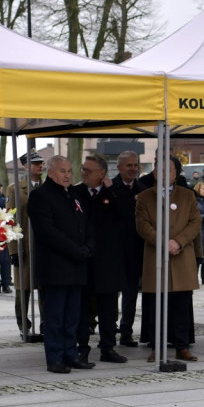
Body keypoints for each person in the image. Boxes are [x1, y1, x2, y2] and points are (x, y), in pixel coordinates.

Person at [29, 155, 95, 373]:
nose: (67, 175)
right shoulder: (40, 196)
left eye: (69, 171)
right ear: (50, 172)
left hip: (77, 266)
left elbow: (86, 223)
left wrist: (88, 246)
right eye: (62, 171)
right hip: (56, 266)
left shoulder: (74, 194)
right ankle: (55, 357)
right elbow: (47, 232)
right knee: (55, 317)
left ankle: (71, 354)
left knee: (72, 316)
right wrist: (76, 251)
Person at [136, 157, 202, 363]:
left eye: (169, 170)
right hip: (156, 257)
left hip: (181, 256)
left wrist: (178, 242)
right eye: (160, 171)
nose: (165, 174)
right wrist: (164, 242)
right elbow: (142, 225)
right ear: (154, 174)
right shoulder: (145, 197)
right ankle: (157, 346)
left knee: (181, 305)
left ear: (176, 173)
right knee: (157, 306)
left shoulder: (188, 195)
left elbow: (195, 222)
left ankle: (182, 346)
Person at [73, 154, 127, 365]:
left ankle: (108, 347)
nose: (83, 173)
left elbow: (124, 214)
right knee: (83, 309)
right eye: (83, 169)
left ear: (102, 173)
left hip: (109, 261)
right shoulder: (76, 193)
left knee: (108, 309)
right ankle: (82, 348)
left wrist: (110, 190)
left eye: (88, 170)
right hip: (85, 260)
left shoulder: (113, 193)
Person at [7, 151, 45, 342]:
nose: (39, 166)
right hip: (25, 247)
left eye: (41, 163)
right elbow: (11, 220)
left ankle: (46, 324)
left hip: (45, 247)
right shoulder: (15, 189)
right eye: (35, 163)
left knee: (46, 288)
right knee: (23, 290)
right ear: (24, 166)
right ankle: (24, 325)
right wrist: (14, 250)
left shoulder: (48, 187)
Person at [111, 150, 146, 347]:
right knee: (110, 295)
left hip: (134, 251)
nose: (133, 169)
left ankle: (126, 332)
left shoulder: (142, 189)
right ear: (119, 167)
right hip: (114, 251)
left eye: (135, 165)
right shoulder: (110, 188)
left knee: (131, 295)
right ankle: (109, 331)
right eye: (129, 165)